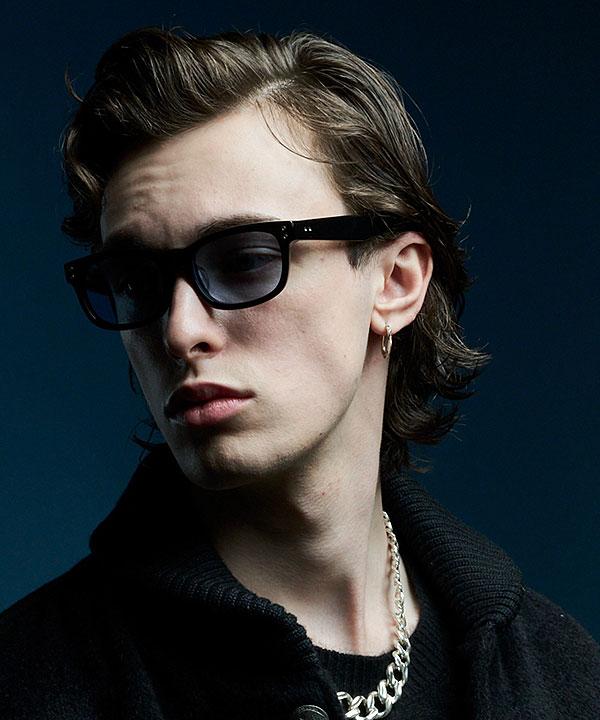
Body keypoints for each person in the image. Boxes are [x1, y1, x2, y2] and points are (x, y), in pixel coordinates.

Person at [0, 26, 598, 720]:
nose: (180, 331)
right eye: (137, 280)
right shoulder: (30, 684)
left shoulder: (561, 674)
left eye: (246, 260)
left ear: (395, 282)